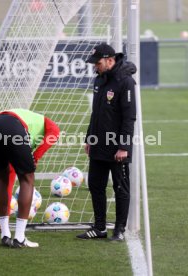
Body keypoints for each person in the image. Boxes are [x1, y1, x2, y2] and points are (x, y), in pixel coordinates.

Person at [76, 43, 136, 241]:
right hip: (98, 145)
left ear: (110, 60)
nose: (95, 66)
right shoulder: (99, 80)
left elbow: (129, 117)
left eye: (98, 63)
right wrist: (89, 138)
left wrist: (124, 147)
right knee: (95, 185)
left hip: (117, 148)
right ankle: (99, 227)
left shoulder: (125, 82)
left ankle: (119, 230)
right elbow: (97, 114)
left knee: (120, 187)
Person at [0, 108, 60, 248]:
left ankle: (5, 235)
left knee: (1, 178)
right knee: (27, 178)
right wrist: (36, 157)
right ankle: (19, 238)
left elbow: (10, 175)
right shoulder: (46, 124)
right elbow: (55, 131)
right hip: (12, 127)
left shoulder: (29, 123)